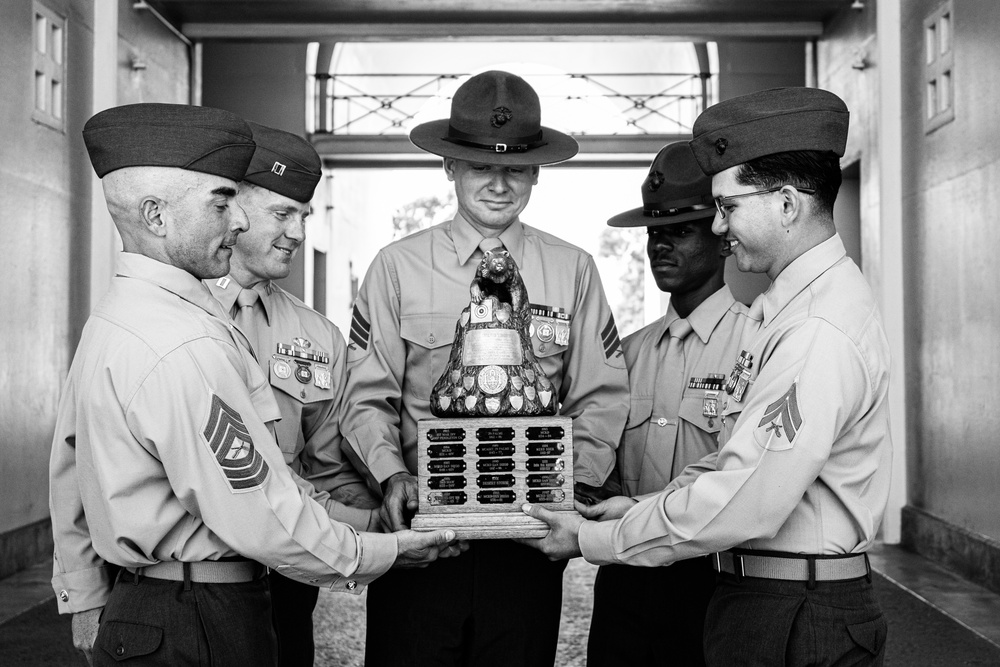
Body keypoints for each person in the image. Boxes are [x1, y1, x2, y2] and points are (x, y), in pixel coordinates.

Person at [48, 103, 459, 666]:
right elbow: (259, 508)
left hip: (230, 587)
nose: (239, 221)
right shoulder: (185, 342)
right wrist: (379, 550)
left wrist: (381, 515)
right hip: (200, 602)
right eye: (223, 202)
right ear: (158, 214)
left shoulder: (130, 316)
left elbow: (318, 470)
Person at [522, 87, 893, 666]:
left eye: (730, 206)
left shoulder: (816, 327)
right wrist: (639, 508)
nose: (720, 227)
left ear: (788, 204)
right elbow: (732, 457)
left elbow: (747, 495)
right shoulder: (793, 310)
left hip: (794, 608)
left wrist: (592, 538)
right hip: (772, 596)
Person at [340, 70, 630, 666]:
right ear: (449, 166)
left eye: (517, 168)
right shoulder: (395, 268)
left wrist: (568, 493)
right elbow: (367, 398)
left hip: (526, 540)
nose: (499, 184)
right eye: (480, 166)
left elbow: (600, 396)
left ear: (535, 172)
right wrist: (393, 478)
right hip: (423, 536)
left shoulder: (572, 270)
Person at [206, 122, 381, 667]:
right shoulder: (169, 314)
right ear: (233, 209)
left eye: (304, 216)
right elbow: (82, 453)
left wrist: (385, 526)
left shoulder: (318, 336)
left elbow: (328, 464)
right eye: (283, 213)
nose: (299, 233)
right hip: (195, 578)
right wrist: (83, 594)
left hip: (285, 578)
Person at [583, 141, 748, 667]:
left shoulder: (759, 345)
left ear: (723, 240)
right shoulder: (626, 355)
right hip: (625, 579)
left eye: (679, 231)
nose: (660, 246)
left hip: (715, 582)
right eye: (655, 233)